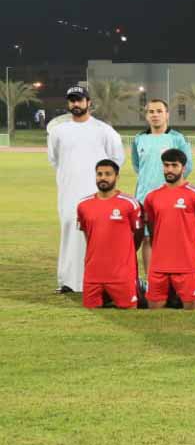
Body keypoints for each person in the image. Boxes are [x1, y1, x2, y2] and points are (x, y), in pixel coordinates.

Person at [48, 85, 125, 293]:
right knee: (68, 234)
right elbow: (55, 160)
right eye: (72, 100)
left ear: (89, 102)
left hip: (96, 194)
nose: (76, 104)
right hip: (68, 193)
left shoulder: (104, 130)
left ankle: (98, 281)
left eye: (80, 100)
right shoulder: (58, 132)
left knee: (97, 237)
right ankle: (67, 281)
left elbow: (116, 160)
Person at [142, 149, 195, 310]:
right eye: (166, 165)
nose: (169, 169)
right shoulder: (152, 197)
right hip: (159, 265)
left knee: (194, 305)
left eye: (174, 165)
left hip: (187, 265)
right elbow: (152, 228)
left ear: (183, 167)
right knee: (153, 306)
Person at [131, 99, 193, 280]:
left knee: (170, 239)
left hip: (170, 197)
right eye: (151, 112)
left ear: (167, 114)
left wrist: (172, 186)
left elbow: (186, 166)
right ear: (146, 115)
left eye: (159, 111)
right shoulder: (139, 139)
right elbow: (137, 165)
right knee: (147, 239)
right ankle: (152, 281)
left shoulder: (177, 138)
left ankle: (172, 278)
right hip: (144, 197)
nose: (155, 115)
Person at [77, 159, 143, 309]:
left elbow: (138, 233)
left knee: (129, 309)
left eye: (108, 174)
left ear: (117, 177)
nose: (103, 178)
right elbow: (88, 235)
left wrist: (127, 253)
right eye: (99, 174)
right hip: (93, 274)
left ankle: (138, 286)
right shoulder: (83, 205)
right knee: (90, 310)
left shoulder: (130, 203)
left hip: (122, 275)